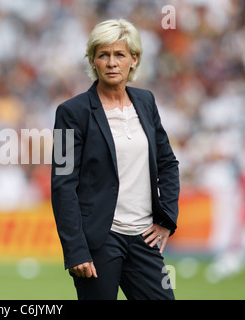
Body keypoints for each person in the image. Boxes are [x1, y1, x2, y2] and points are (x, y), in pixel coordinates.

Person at [51, 19, 179, 300]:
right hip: (99, 241)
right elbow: (62, 185)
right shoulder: (70, 112)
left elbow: (168, 163)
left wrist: (167, 219)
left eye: (119, 55)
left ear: (134, 60)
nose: (111, 62)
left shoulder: (146, 102)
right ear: (93, 61)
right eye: (103, 55)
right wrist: (75, 250)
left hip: (144, 239)